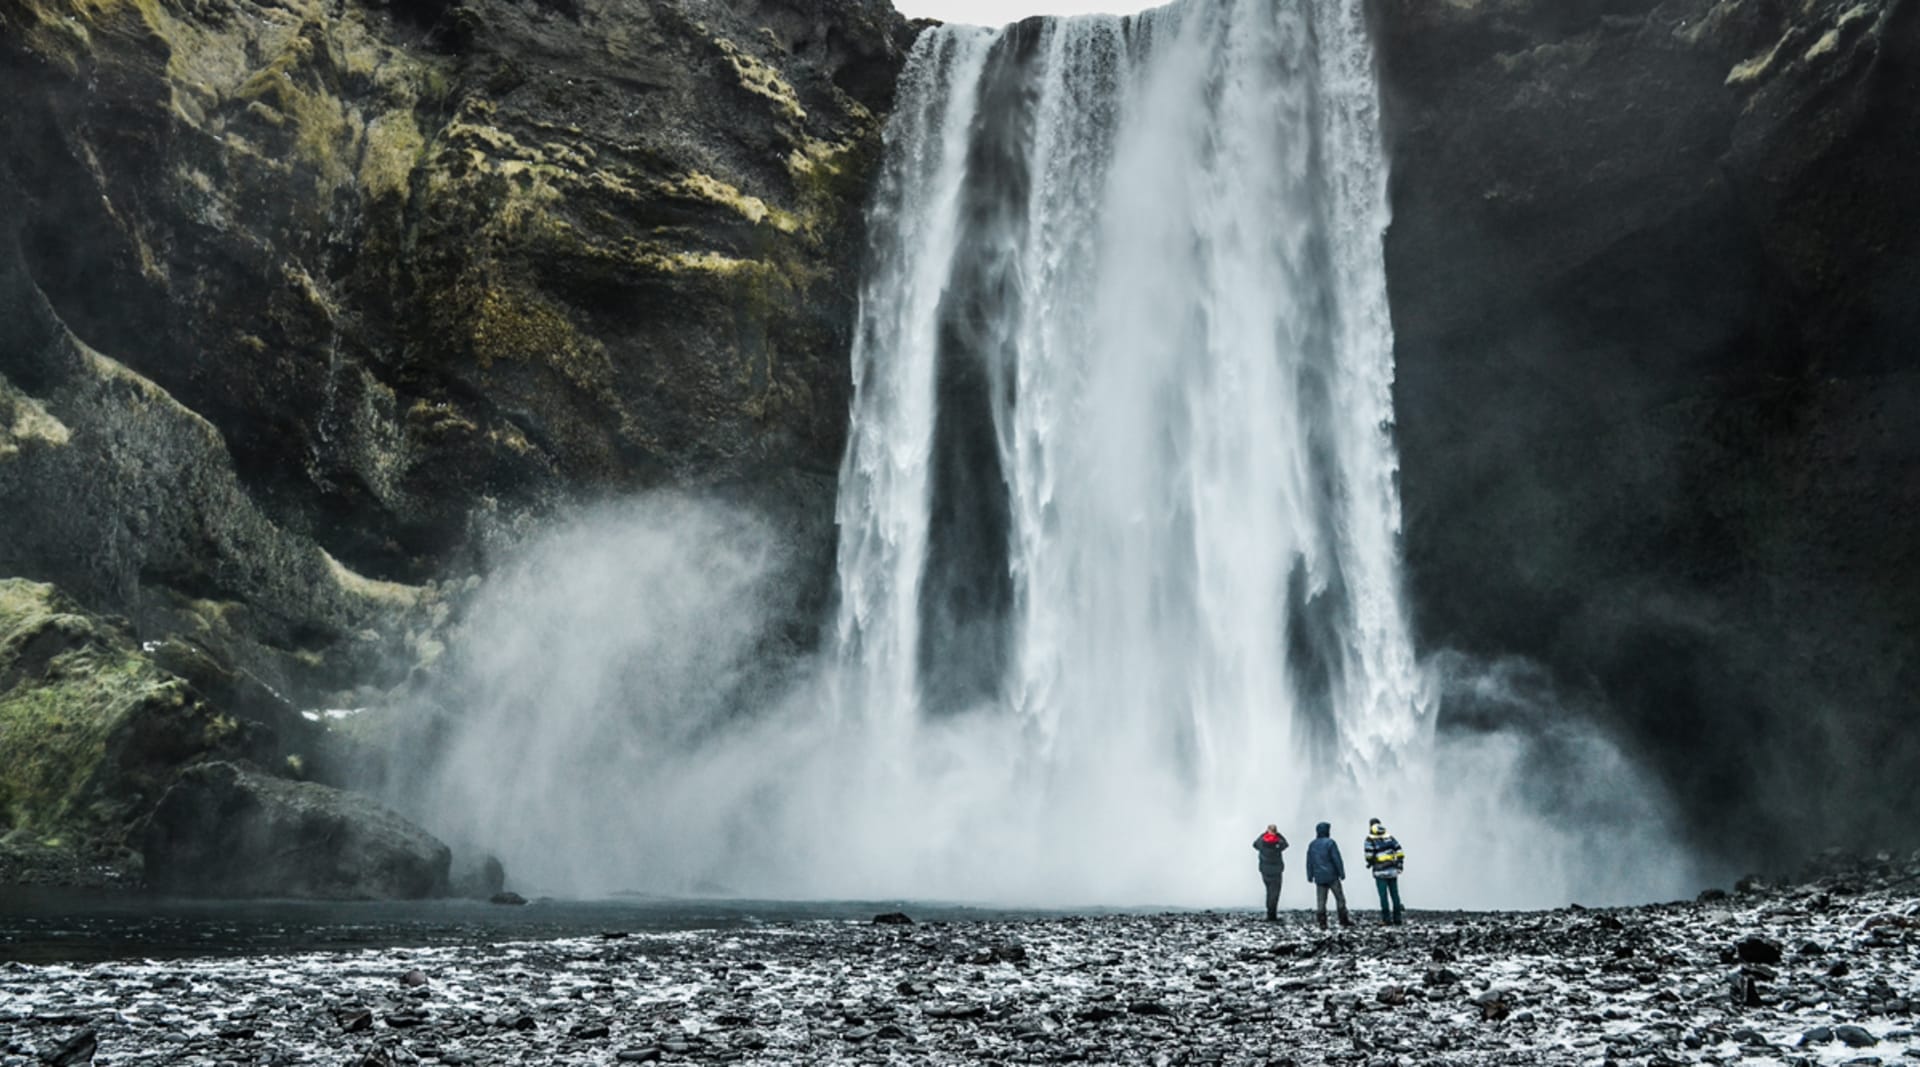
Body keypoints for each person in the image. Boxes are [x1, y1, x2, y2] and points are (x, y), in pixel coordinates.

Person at [1304, 821, 1352, 929]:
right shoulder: (1330, 843)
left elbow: (1309, 861)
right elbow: (1336, 859)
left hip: (1319, 877)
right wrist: (1341, 872)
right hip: (1332, 875)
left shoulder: (1312, 844)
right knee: (1340, 898)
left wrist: (1309, 875)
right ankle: (1343, 920)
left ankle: (1322, 922)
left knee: (1321, 901)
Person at [1364, 817, 1406, 924]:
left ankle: (1386, 919)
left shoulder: (1370, 839)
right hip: (1392, 870)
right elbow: (1399, 851)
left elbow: (1369, 855)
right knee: (1395, 895)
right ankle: (1397, 919)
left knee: (1383, 896)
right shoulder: (1389, 837)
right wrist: (1399, 864)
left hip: (1380, 871)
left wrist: (1370, 862)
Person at [1252, 824, 1289, 920]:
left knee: (1269, 891)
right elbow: (1286, 844)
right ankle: (1272, 914)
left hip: (1265, 870)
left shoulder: (1262, 842)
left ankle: (1269, 912)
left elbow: (1255, 844)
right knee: (1275, 892)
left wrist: (1265, 834)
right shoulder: (1279, 843)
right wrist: (1278, 835)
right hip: (1276, 871)